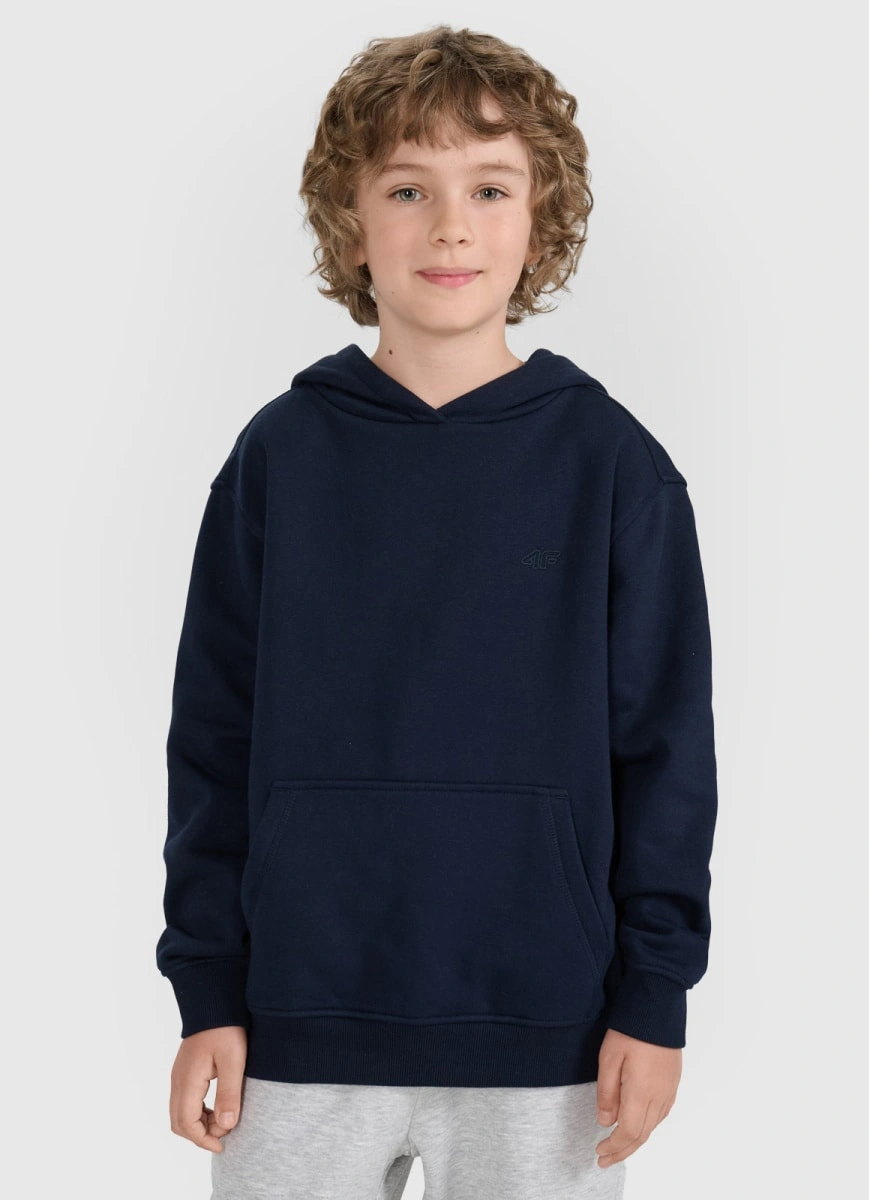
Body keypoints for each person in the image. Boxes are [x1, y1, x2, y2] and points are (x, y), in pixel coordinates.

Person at [156, 24, 718, 1200]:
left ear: (541, 221)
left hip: (550, 1032)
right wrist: (208, 992)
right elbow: (211, 741)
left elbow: (666, 755)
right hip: (296, 1025)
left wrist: (655, 997)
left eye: (490, 188)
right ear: (350, 220)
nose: (451, 226)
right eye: (409, 189)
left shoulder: (615, 468)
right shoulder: (278, 458)